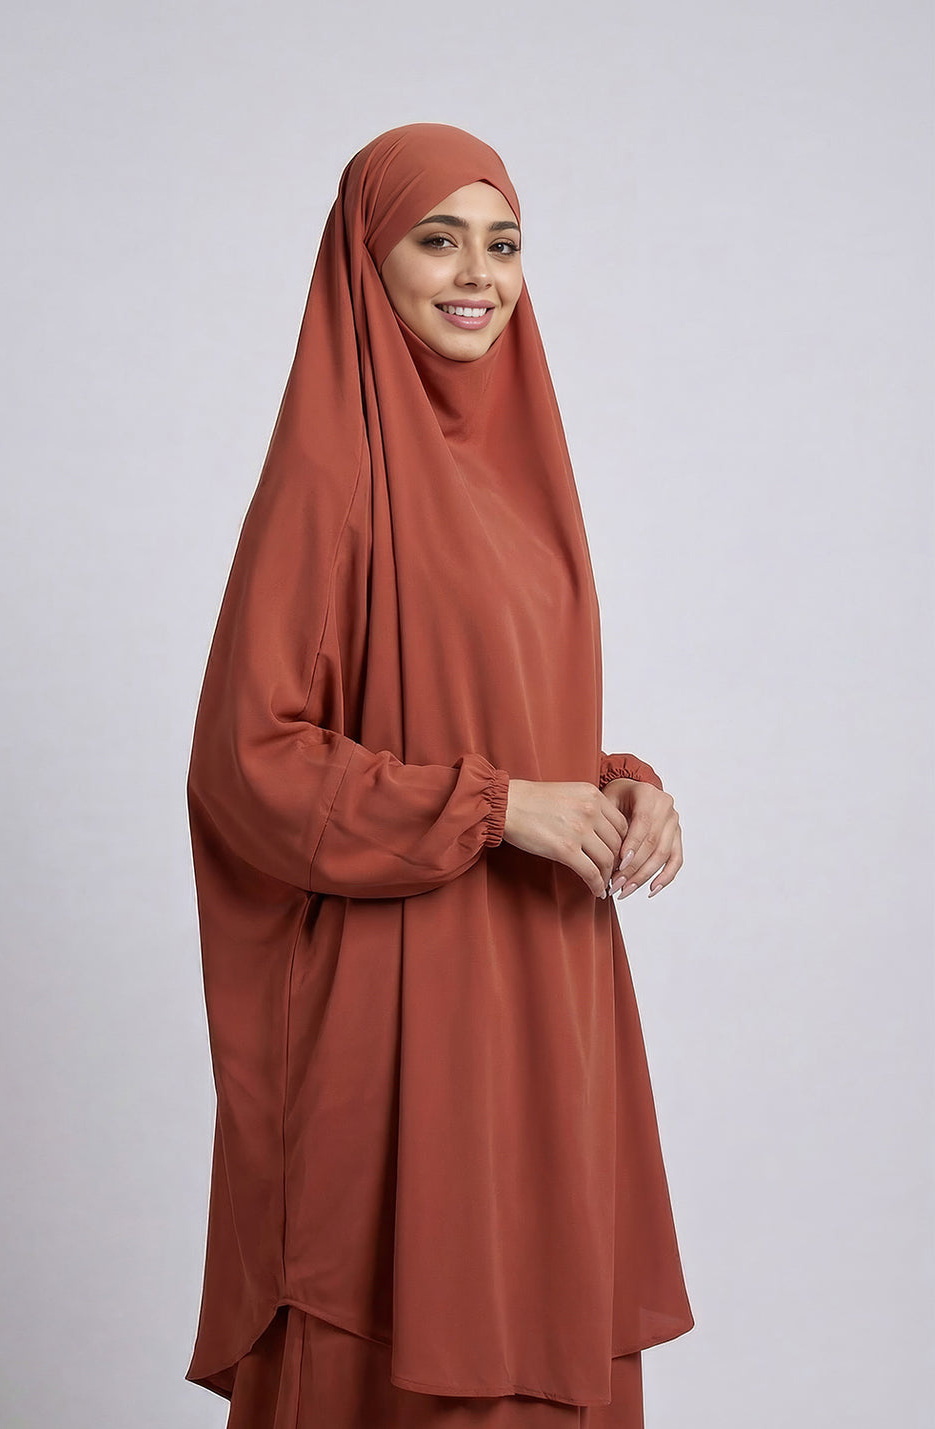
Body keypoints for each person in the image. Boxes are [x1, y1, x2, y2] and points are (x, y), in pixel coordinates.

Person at [184, 122, 694, 1428]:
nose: (479, 274)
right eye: (439, 239)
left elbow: (500, 711)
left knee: (534, 1328)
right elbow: (251, 759)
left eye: (504, 243)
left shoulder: (525, 474)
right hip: (400, 998)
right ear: (368, 260)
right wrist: (497, 808)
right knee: (398, 1352)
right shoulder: (333, 472)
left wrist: (613, 785)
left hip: (543, 990)